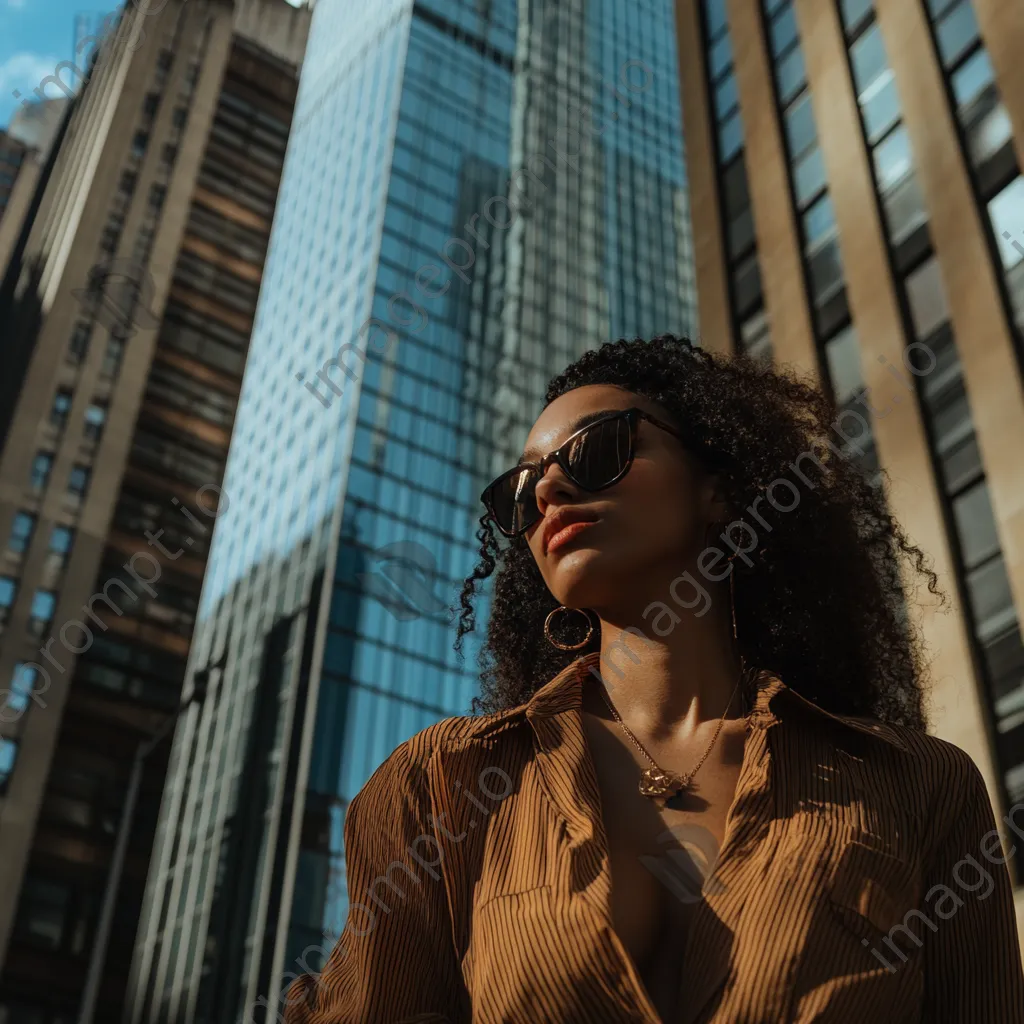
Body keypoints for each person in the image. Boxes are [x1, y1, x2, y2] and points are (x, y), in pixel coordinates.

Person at [284, 335, 1024, 1023]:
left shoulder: (920, 785)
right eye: (521, 490)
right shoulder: (438, 786)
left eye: (597, 450)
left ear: (719, 490)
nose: (550, 494)